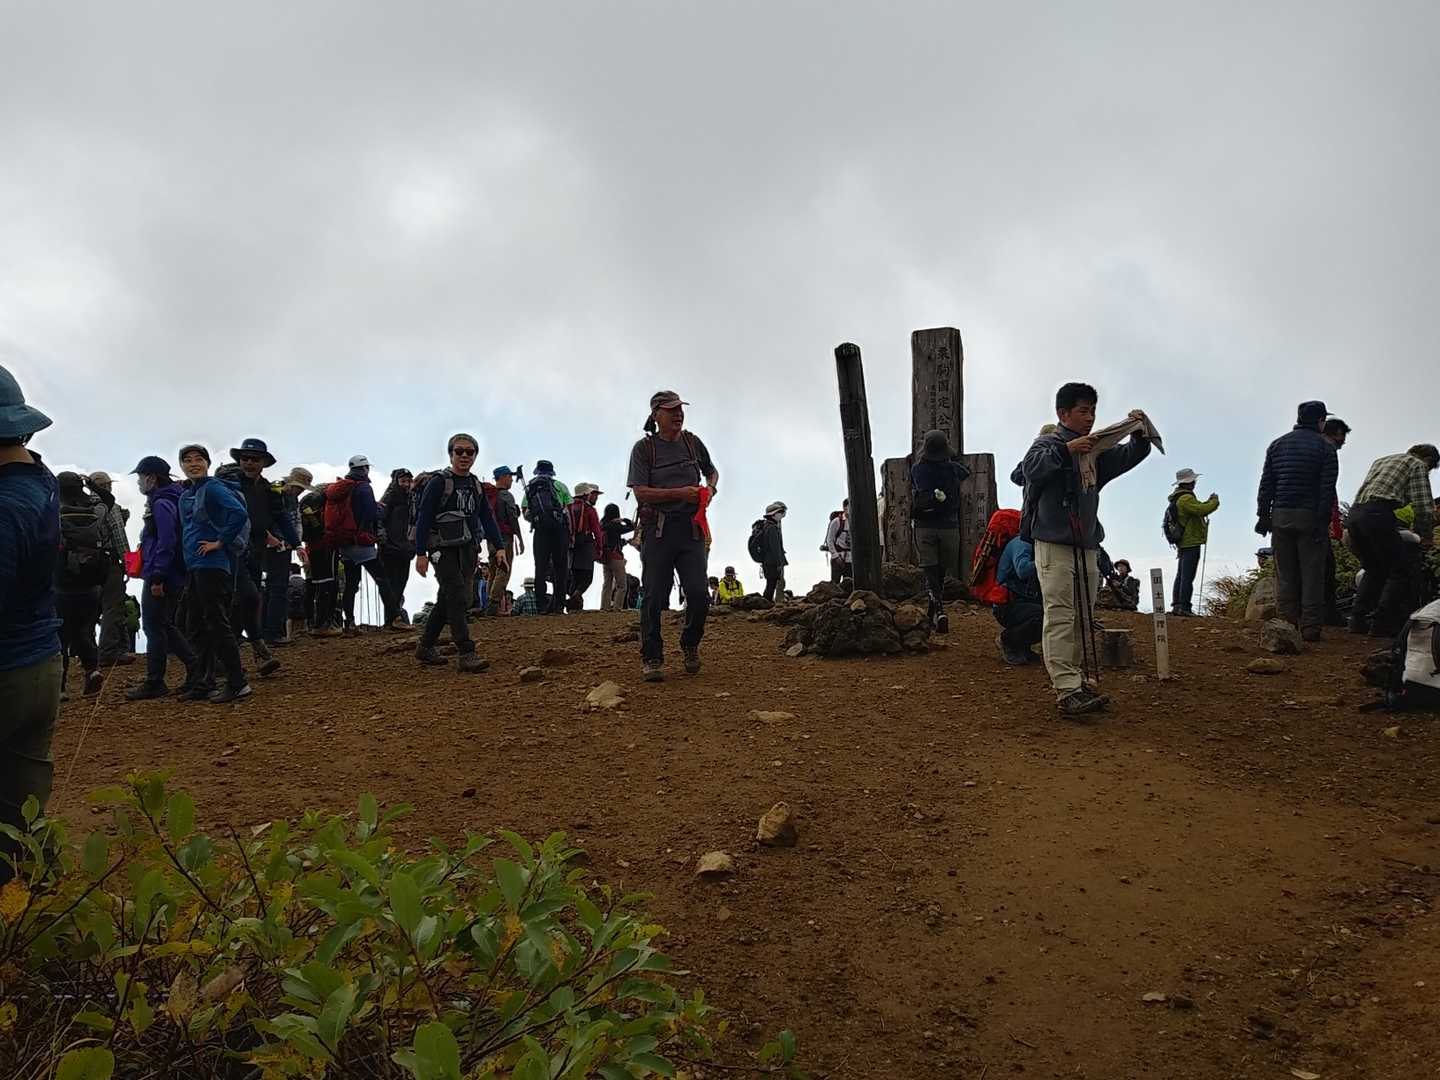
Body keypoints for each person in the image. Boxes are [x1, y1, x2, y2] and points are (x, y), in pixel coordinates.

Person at [1022, 384, 1155, 716]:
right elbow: (1030, 469)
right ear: (1063, 413)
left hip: (1086, 546)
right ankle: (1067, 689)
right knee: (1060, 615)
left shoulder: (1094, 452)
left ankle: (1076, 682)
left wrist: (1139, 434)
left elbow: (1129, 456)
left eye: (1093, 411)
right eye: (1083, 411)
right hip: (1053, 544)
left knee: (1082, 617)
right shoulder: (1048, 444)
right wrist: (1067, 450)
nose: (1090, 418)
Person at [0, 365, 62, 882]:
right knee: (22, 815)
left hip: (6, 670)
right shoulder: (38, 479)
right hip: (40, 662)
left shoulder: (4, 507)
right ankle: (49, 910)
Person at [628, 389, 720, 681]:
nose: (678, 414)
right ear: (656, 415)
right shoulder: (644, 449)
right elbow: (640, 492)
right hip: (658, 530)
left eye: (680, 409)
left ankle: (690, 643)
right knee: (654, 595)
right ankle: (652, 657)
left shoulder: (692, 442)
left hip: (691, 529)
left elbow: (712, 472)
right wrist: (681, 493)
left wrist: (710, 490)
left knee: (699, 593)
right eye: (671, 410)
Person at [412, 432, 506, 672]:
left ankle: (425, 646)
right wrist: (420, 553)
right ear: (450, 454)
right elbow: (424, 517)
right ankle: (466, 651)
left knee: (448, 597)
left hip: (467, 548)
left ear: (475, 455)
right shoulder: (438, 483)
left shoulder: (475, 485)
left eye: (469, 452)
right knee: (457, 595)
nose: (464, 456)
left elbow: (486, 516)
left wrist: (499, 547)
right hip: (441, 549)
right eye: (459, 451)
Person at [1256, 401, 1339, 641]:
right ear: (1320, 421)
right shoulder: (1326, 448)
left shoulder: (1277, 445)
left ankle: (1286, 624)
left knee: (1285, 573)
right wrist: (1322, 521)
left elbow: (1266, 484)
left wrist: (1263, 516)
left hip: (1281, 515)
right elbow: (1327, 489)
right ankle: (1311, 627)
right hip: (1309, 517)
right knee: (1312, 574)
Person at [176, 444, 251, 704]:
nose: (193, 464)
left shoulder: (213, 488)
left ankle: (237, 682)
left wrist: (220, 541)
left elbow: (238, 513)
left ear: (208, 463)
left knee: (216, 622)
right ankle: (204, 682)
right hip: (195, 565)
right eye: (187, 460)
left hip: (213, 565)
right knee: (196, 624)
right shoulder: (188, 494)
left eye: (199, 459)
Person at [124, 455, 200, 700]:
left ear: (152, 478)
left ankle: (156, 680)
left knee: (154, 625)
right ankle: (194, 669)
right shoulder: (175, 498)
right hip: (174, 571)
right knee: (164, 624)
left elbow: (166, 540)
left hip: (163, 573)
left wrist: (157, 576)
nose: (139, 482)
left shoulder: (161, 503)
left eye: (140, 477)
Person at [1347, 443, 1438, 637]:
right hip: (1378, 514)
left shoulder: (1382, 461)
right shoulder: (1417, 464)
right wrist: (1426, 537)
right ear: (1428, 461)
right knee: (1400, 571)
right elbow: (1423, 506)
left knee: (1374, 569)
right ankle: (1382, 624)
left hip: (1355, 515)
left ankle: (1357, 620)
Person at [229, 438, 301, 647]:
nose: (249, 463)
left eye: (255, 459)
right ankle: (235, 637)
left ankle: (255, 637)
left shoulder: (268, 489)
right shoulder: (230, 485)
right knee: (238, 593)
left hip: (256, 549)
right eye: (245, 458)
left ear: (263, 463)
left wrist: (296, 543)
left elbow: (280, 515)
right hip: (233, 547)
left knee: (251, 594)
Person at [215, 463, 281, 678]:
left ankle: (246, 654)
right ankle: (227, 659)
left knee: (246, 601)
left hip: (243, 555)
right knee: (238, 602)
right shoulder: (216, 498)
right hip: (222, 558)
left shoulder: (244, 496)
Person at [329, 454, 403, 633]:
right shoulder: (364, 487)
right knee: (382, 579)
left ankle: (349, 622)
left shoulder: (344, 487)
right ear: (365, 468)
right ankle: (394, 618)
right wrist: (380, 511)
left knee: (351, 584)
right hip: (362, 541)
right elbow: (370, 513)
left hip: (345, 542)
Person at [911, 430, 971, 633]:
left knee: (930, 569)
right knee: (941, 571)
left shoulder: (918, 470)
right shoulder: (953, 469)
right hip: (949, 526)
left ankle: (937, 610)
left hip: (924, 526)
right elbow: (966, 472)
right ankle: (936, 611)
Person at [54, 472, 108, 697]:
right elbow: (109, 500)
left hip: (61, 585)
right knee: (84, 631)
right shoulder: (96, 512)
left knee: (60, 636)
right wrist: (93, 485)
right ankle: (92, 671)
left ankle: (60, 687)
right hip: (91, 585)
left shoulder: (54, 512)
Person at [86, 470, 133, 665]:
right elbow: (118, 535)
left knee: (89, 609)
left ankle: (86, 652)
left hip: (84, 564)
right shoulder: (110, 505)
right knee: (113, 606)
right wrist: (128, 563)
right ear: (108, 486)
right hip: (109, 562)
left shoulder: (79, 505)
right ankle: (109, 651)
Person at [1166, 468, 1219, 616]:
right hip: (1191, 540)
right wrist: (1214, 501)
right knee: (1187, 576)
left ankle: (1177, 606)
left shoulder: (1178, 498)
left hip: (1183, 541)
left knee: (1181, 575)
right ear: (1190, 482)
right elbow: (1202, 510)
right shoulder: (1186, 499)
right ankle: (1185, 607)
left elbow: (1198, 508)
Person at [522, 459, 572, 614]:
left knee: (540, 567)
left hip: (540, 531)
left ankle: (541, 605)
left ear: (537, 471)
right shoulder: (561, 486)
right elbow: (568, 511)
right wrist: (570, 533)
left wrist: (538, 519)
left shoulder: (531, 487)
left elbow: (525, 512)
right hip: (559, 531)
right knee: (560, 567)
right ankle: (559, 605)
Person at [297, 473, 339, 637]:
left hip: (311, 547)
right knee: (327, 583)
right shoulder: (323, 500)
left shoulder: (306, 500)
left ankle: (314, 623)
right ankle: (323, 624)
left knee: (315, 584)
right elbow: (319, 525)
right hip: (324, 545)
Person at [994, 533, 1042, 665]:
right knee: (1043, 616)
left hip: (1020, 601)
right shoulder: (1022, 543)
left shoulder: (1030, 543)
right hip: (1007, 605)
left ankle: (1022, 646)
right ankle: (1008, 640)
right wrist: (1046, 561)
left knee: (1051, 614)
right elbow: (1022, 570)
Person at [1321, 418, 1351, 625]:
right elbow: (1327, 490)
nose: (1342, 443)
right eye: (1341, 438)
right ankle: (1326, 614)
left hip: (1291, 515)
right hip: (1316, 520)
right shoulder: (1326, 452)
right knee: (1324, 567)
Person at [484, 466, 524, 614]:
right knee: (504, 570)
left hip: (490, 537)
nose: (512, 480)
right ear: (502, 477)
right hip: (505, 537)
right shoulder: (506, 495)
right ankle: (493, 604)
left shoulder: (489, 496)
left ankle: (488, 603)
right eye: (509, 476)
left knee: (493, 570)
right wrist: (519, 538)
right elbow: (512, 517)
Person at [378, 468, 416, 615]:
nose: (406, 484)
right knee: (390, 584)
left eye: (409, 481)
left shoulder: (413, 499)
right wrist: (382, 539)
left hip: (406, 549)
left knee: (401, 583)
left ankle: (395, 614)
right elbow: (379, 519)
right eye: (403, 481)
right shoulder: (389, 498)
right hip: (389, 548)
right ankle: (392, 616)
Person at [566, 482, 605, 611]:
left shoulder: (569, 507)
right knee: (587, 579)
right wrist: (600, 547)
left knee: (575, 578)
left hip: (571, 547)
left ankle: (573, 607)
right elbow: (597, 531)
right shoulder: (589, 510)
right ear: (585, 495)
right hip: (586, 546)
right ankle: (573, 599)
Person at [599, 503, 636, 613]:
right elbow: (632, 527)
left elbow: (612, 539)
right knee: (622, 585)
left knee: (607, 583)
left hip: (605, 557)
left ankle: (604, 607)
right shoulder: (615, 526)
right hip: (616, 557)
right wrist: (623, 520)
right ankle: (617, 607)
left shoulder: (602, 525)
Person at [757, 501, 788, 603]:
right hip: (772, 562)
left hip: (767, 560)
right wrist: (779, 563)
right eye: (780, 512)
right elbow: (775, 548)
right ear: (774, 514)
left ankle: (766, 603)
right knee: (771, 585)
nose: (782, 514)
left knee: (770, 584)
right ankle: (766, 603)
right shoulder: (772, 528)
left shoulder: (766, 526)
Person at [823, 501, 852, 584]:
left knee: (849, 583)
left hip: (850, 558)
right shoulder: (836, 522)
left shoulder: (855, 522)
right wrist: (835, 556)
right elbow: (830, 540)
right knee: (835, 584)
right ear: (845, 508)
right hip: (838, 557)